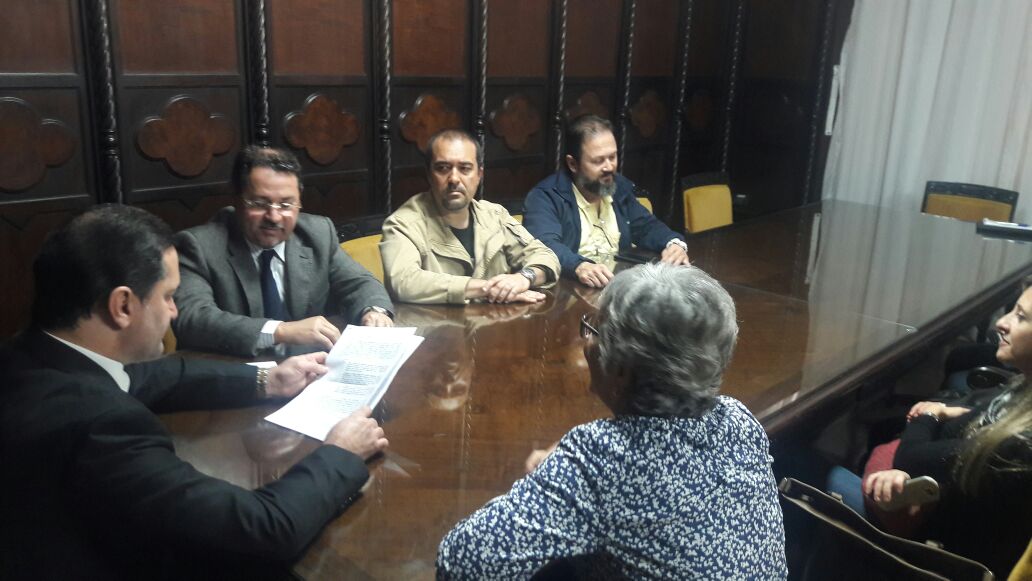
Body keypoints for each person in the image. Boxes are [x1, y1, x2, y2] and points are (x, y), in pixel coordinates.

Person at [0, 205, 389, 579]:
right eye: (168, 296)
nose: (174, 312)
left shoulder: (32, 355)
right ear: (122, 305)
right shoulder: (101, 427)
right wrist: (340, 452)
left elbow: (155, 376)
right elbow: (264, 529)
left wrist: (268, 380)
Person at [436, 264, 787, 579]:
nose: (586, 340)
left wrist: (567, 472)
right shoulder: (738, 418)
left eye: (593, 330)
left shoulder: (604, 456)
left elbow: (462, 561)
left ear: (620, 369)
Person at [843, 281, 1032, 576]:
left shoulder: (1019, 446)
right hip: (945, 505)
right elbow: (954, 437)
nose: (1002, 323)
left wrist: (930, 414)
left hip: (936, 553)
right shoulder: (1022, 393)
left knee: (797, 466)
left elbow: (911, 457)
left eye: (1021, 317)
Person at [173, 146, 394, 357]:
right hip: (235, 372)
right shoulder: (199, 246)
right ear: (237, 200)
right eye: (260, 203)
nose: (274, 216)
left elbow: (359, 282)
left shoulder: (317, 233)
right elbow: (192, 319)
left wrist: (374, 312)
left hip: (309, 368)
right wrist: (280, 331)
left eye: (286, 205)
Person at [379, 129, 560, 304]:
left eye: (465, 168)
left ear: (479, 174)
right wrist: (489, 289)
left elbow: (545, 256)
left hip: (497, 321)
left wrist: (524, 278)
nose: (454, 179)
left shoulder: (495, 216)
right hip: (435, 324)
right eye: (443, 168)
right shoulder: (402, 224)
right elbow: (403, 281)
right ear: (429, 174)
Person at [523, 115, 689, 288]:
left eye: (612, 157)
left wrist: (674, 244)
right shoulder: (546, 197)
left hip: (617, 286)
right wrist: (578, 266)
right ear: (573, 164)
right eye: (598, 161)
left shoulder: (618, 187)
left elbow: (647, 227)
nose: (609, 167)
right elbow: (545, 245)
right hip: (570, 291)